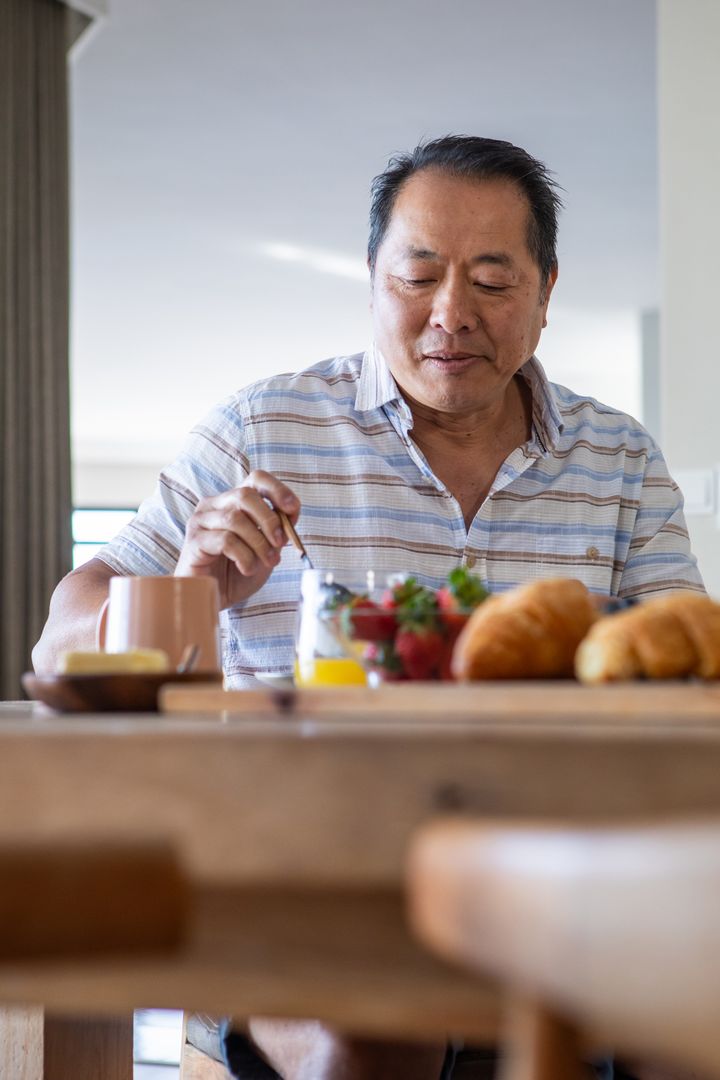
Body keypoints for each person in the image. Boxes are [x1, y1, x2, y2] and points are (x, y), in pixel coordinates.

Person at [33, 136, 704, 1079]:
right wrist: (185, 589)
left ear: (547, 292)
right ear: (374, 279)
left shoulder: (619, 460)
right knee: (380, 1025)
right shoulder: (263, 428)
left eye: (493, 281)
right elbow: (62, 636)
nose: (450, 314)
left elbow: (687, 669)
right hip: (308, 887)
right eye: (419, 275)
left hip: (569, 897)